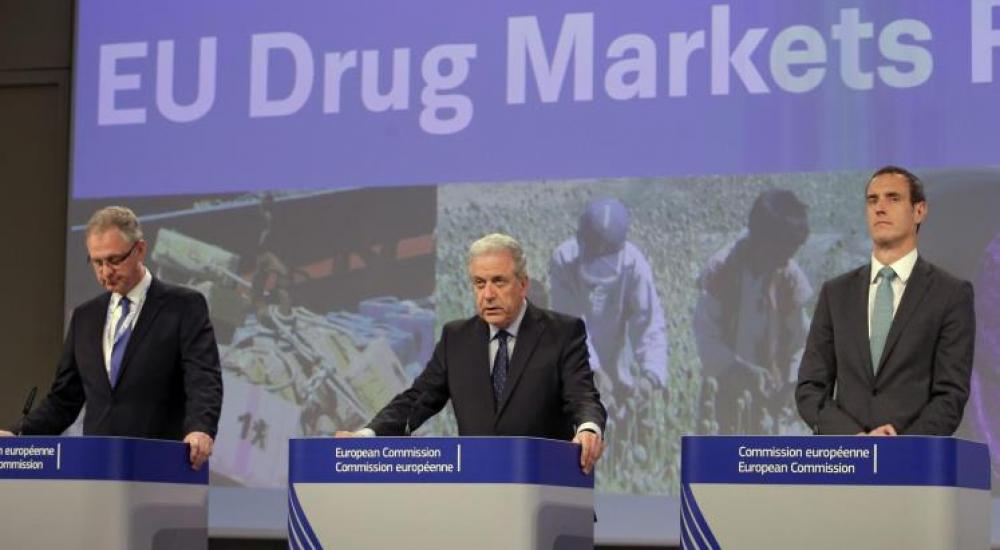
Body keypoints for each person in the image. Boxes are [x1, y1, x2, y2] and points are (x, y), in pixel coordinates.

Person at [338, 233, 607, 473]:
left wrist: (588, 428)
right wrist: (367, 436)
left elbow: (582, 396)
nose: (487, 294)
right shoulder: (457, 338)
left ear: (523, 285)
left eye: (498, 281)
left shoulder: (562, 333)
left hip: (543, 484)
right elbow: (417, 400)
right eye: (479, 283)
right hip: (477, 487)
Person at [1, 206, 223, 469]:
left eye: (114, 260)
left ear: (140, 249)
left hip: (161, 465)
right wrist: (18, 435)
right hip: (97, 469)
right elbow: (64, 400)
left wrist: (200, 428)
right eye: (97, 262)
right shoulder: (85, 317)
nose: (105, 272)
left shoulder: (183, 306)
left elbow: (203, 378)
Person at [796, 166, 975, 435]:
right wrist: (854, 438)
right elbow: (810, 389)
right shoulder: (836, 294)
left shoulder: (950, 294)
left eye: (893, 198)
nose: (880, 208)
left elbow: (950, 395)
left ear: (919, 211)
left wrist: (901, 445)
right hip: (846, 457)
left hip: (912, 456)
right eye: (872, 200)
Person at [693, 189, 811, 434]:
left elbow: (800, 341)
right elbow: (706, 338)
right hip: (722, 389)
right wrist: (741, 371)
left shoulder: (789, 276)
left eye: (791, 253)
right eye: (781, 252)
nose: (785, 260)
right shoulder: (721, 269)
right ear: (761, 240)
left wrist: (792, 383)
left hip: (771, 396)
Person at [549, 197, 668, 417]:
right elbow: (571, 325)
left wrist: (650, 376)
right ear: (580, 240)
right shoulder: (563, 261)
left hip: (621, 352)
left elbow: (649, 323)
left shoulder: (634, 265)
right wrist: (592, 370)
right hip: (578, 358)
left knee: (628, 419)